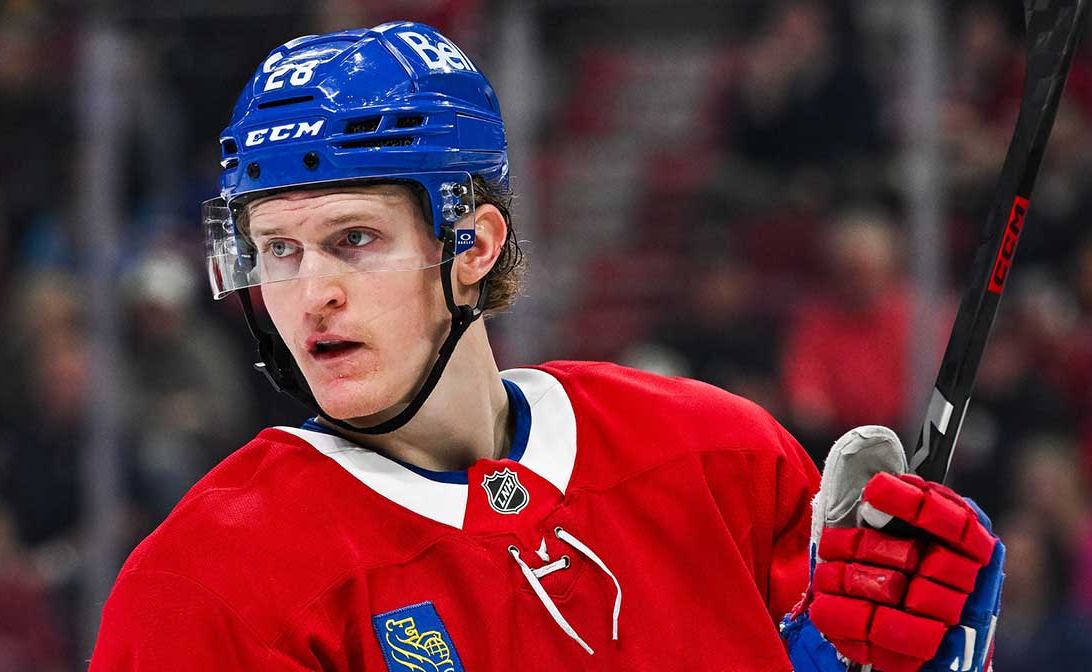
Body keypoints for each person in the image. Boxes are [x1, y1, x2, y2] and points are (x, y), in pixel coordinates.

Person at [90, 22, 1003, 671]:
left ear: (473, 245)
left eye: (354, 239)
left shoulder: (714, 459)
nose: (310, 292)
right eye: (276, 250)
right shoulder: (208, 589)